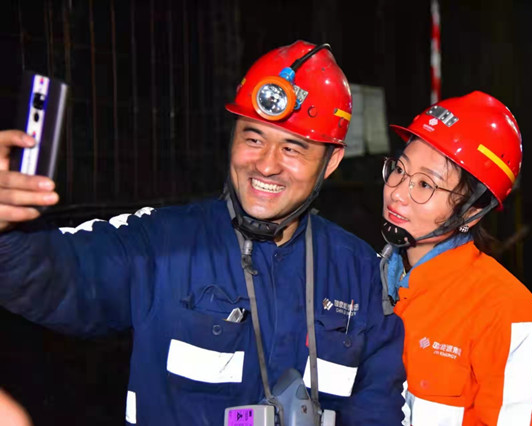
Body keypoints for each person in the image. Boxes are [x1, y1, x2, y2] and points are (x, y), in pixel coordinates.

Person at [0, 41, 406, 425]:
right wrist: (5, 229)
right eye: (253, 138)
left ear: (331, 162)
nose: (266, 165)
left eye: (292, 148)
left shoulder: (360, 275)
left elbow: (378, 406)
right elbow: (53, 277)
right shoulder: (163, 243)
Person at [378, 91, 532, 425]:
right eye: (399, 169)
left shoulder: (511, 321)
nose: (397, 192)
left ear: (473, 210)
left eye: (425, 184)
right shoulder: (361, 280)